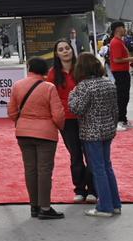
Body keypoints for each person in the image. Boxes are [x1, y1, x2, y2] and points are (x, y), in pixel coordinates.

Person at [9, 57, 66, 220]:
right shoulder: (49, 88)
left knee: (30, 169)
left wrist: (21, 122)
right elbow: (58, 114)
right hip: (45, 134)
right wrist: (58, 126)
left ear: (29, 68)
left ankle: (33, 206)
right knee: (44, 171)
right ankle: (45, 207)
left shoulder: (17, 85)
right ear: (46, 71)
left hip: (23, 133)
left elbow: (12, 111)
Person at [69, 52, 122, 217]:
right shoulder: (108, 83)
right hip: (107, 131)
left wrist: (72, 95)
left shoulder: (84, 86)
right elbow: (115, 110)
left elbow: (77, 109)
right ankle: (115, 204)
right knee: (107, 167)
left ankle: (104, 206)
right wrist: (112, 127)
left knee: (98, 169)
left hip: (91, 133)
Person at [46, 40, 95, 203]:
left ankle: (92, 190)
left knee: (90, 154)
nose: (65, 51)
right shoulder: (53, 73)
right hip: (66, 120)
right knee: (75, 155)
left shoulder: (81, 69)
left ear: (72, 50)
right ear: (56, 54)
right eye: (61, 49)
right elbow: (50, 98)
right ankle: (80, 189)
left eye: (67, 48)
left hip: (85, 117)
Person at [107, 21, 133, 130]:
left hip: (123, 71)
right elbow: (116, 59)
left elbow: (121, 58)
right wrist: (132, 59)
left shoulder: (119, 41)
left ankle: (123, 119)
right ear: (118, 29)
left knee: (124, 96)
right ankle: (119, 120)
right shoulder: (115, 42)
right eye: (123, 27)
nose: (125, 30)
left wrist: (130, 62)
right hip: (120, 73)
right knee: (122, 96)